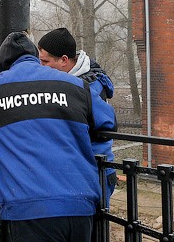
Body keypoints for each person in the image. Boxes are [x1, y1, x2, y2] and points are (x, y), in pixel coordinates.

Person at [0, 31, 117, 242]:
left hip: (29, 211)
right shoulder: (75, 85)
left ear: (4, 64)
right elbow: (108, 121)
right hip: (79, 206)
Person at [38, 27, 118, 203]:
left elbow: (108, 122)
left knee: (95, 228)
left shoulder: (88, 88)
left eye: (45, 61)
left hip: (95, 173)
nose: (40, 67)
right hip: (79, 170)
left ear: (64, 60)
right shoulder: (67, 82)